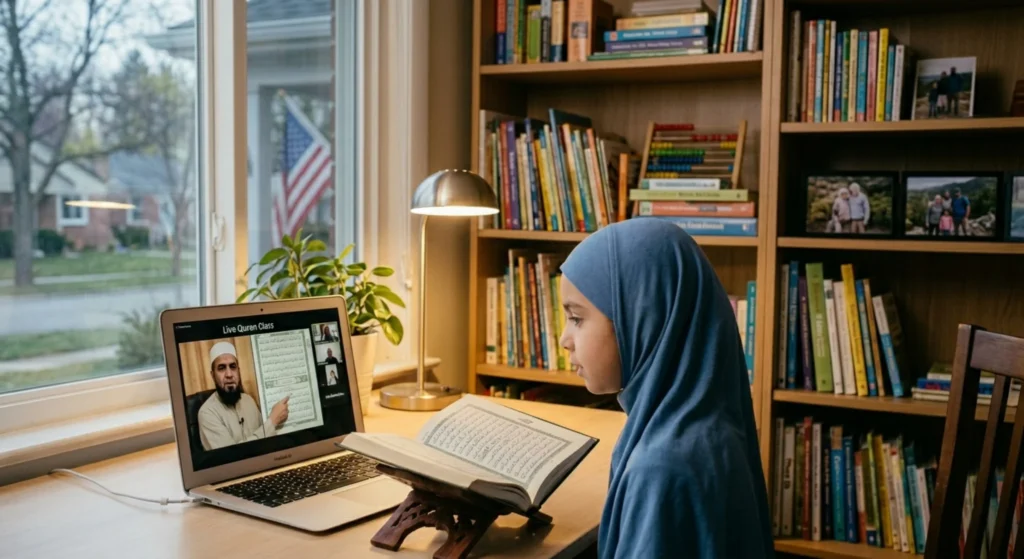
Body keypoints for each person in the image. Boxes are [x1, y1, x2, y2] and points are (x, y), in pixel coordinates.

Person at [558, 218, 773, 558]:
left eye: (577, 318)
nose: (564, 340)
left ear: (642, 317)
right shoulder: (706, 428)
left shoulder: (661, 469)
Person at [197, 341, 290, 451]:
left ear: (238, 371)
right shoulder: (207, 413)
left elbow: (266, 439)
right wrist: (272, 421)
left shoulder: (248, 400)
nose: (229, 374)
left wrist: (280, 418)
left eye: (233, 367)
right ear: (213, 375)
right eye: (221, 368)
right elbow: (232, 457)